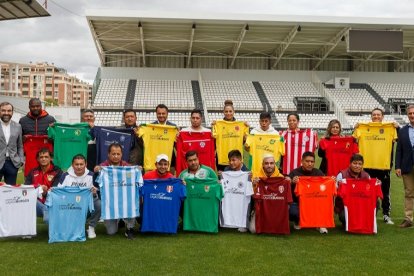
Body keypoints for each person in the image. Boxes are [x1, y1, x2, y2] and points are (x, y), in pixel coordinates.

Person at [354, 108, 398, 225]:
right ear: (371, 116)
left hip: (383, 166)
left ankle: (386, 215)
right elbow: (354, 140)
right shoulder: (362, 128)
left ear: (382, 117)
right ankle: (367, 212)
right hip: (367, 166)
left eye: (378, 115)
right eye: (374, 115)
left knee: (384, 192)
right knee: (366, 192)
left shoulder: (390, 128)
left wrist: (397, 127)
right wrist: (356, 127)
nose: (376, 116)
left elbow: (398, 138)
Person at [94, 142, 136, 239]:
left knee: (132, 203)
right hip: (111, 203)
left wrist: (137, 168)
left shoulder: (125, 165)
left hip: (124, 201)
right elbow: (96, 169)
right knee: (111, 232)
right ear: (108, 154)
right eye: (113, 154)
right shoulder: (104, 166)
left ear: (121, 154)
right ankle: (118, 220)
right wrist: (98, 168)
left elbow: (134, 169)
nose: (116, 156)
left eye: (118, 154)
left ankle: (129, 228)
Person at [58, 154, 101, 239]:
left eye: (81, 164)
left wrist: (94, 193)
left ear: (86, 164)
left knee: (99, 204)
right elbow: (59, 192)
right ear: (72, 165)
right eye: (76, 164)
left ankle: (91, 227)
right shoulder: (65, 175)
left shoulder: (92, 176)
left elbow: (97, 192)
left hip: (86, 206)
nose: (79, 167)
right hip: (70, 206)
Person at [289, 151, 325, 233]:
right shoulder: (294, 173)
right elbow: (287, 185)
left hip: (314, 202)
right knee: (292, 212)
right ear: (302, 161)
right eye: (307, 161)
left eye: (312, 162)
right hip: (298, 202)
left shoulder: (318, 173)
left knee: (325, 203)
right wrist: (291, 182)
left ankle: (319, 223)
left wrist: (332, 180)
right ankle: (298, 221)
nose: (310, 164)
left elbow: (325, 185)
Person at [25, 148, 62, 222]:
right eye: (41, 157)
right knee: (25, 201)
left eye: (46, 157)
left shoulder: (58, 172)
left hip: (52, 204)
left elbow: (56, 190)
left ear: (51, 158)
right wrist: (38, 188)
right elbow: (26, 189)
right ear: (38, 159)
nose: (43, 159)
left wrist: (46, 192)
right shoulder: (32, 172)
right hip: (36, 205)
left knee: (48, 219)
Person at [212, 100, 249, 171]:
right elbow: (214, 137)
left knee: (237, 179)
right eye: (226, 111)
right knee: (223, 180)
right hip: (222, 158)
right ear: (223, 112)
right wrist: (213, 126)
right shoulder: (218, 124)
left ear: (233, 112)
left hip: (236, 158)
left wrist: (247, 127)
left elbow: (244, 141)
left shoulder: (241, 125)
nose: (228, 113)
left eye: (230, 111)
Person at [336, 154, 371, 226]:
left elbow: (370, 192)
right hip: (345, 206)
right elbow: (336, 193)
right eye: (355, 163)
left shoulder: (366, 176)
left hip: (360, 206)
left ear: (362, 166)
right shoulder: (342, 175)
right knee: (344, 217)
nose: (357, 166)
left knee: (376, 202)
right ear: (350, 164)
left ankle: (365, 222)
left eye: (359, 164)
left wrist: (376, 184)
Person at [395, 104, 414, 228]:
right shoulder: (402, 131)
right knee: (409, 193)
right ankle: (408, 219)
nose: (412, 115)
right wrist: (397, 166)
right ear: (407, 115)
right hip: (407, 166)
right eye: (410, 114)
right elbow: (399, 150)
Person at [0, 102, 24, 184]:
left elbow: (20, 145)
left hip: (12, 163)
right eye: (3, 110)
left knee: (10, 192)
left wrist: (21, 160)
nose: (6, 113)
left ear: (12, 112)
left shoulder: (18, 126)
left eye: (9, 111)